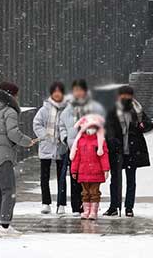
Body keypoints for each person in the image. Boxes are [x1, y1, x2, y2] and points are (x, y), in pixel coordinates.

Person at [0, 81, 34, 238]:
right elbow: (13, 133)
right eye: (16, 95)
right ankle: (5, 225)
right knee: (8, 191)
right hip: (2, 157)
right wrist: (26, 141)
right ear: (11, 95)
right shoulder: (9, 111)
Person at [104, 85, 153, 218]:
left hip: (133, 150)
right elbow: (107, 128)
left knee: (131, 180)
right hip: (117, 151)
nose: (125, 97)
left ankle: (129, 207)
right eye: (123, 95)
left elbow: (149, 125)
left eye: (128, 95)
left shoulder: (137, 110)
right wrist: (112, 140)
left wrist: (141, 126)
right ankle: (114, 206)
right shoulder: (112, 110)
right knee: (115, 180)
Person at [59, 79, 105, 216]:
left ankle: (90, 207)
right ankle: (76, 206)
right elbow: (61, 126)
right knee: (75, 176)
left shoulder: (94, 108)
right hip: (73, 147)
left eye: (80, 90)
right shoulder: (68, 109)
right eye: (75, 90)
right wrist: (66, 138)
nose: (77, 93)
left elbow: (101, 124)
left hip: (90, 148)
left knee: (90, 179)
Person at [32, 81, 68, 215]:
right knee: (44, 177)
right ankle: (46, 203)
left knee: (62, 177)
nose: (57, 94)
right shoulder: (44, 109)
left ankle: (61, 204)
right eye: (55, 91)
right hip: (47, 146)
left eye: (59, 91)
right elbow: (37, 124)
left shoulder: (67, 109)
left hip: (61, 146)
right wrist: (45, 136)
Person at [70, 114, 110, 220]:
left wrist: (106, 169)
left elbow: (104, 156)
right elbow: (76, 157)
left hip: (96, 172)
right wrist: (74, 170)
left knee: (94, 193)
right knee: (85, 193)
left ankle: (93, 211)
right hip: (83, 172)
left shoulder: (100, 141)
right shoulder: (80, 141)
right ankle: (86, 210)